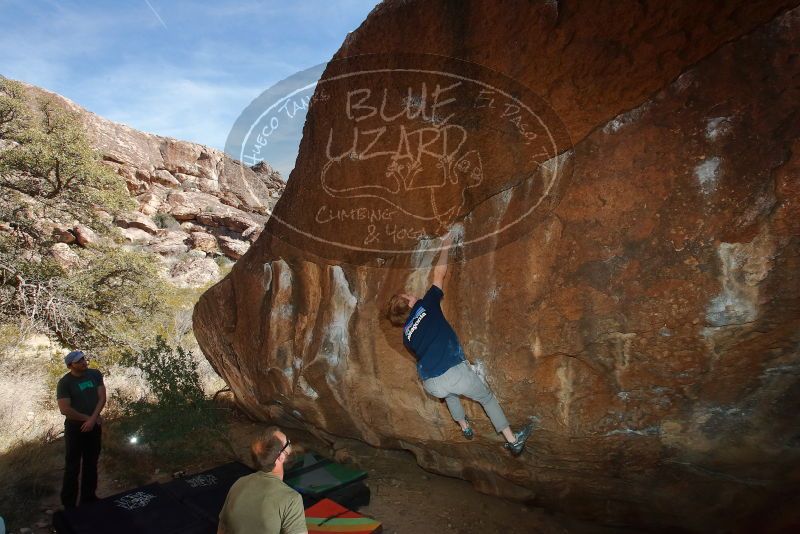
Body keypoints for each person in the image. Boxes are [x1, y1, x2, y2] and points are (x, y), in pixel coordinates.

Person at [387, 227, 534, 456]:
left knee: (450, 394)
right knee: (486, 397)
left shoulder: (406, 336)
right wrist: (446, 244)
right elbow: (439, 275)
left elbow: (422, 352)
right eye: (408, 295)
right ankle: (513, 440)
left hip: (431, 383)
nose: (411, 294)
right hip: (452, 372)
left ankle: (464, 426)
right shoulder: (426, 305)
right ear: (408, 304)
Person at [218, 427, 307, 534]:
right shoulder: (291, 499)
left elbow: (222, 529)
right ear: (281, 457)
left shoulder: (239, 483)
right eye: (287, 443)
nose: (290, 444)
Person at [56, 350, 106, 508]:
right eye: (79, 361)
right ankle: (69, 503)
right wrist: (88, 419)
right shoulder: (65, 383)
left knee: (91, 462)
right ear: (71, 365)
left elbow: (102, 397)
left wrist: (93, 418)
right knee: (73, 465)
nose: (84, 362)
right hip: (75, 427)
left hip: (94, 423)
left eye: (84, 359)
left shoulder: (94, 374)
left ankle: (89, 497)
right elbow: (65, 408)